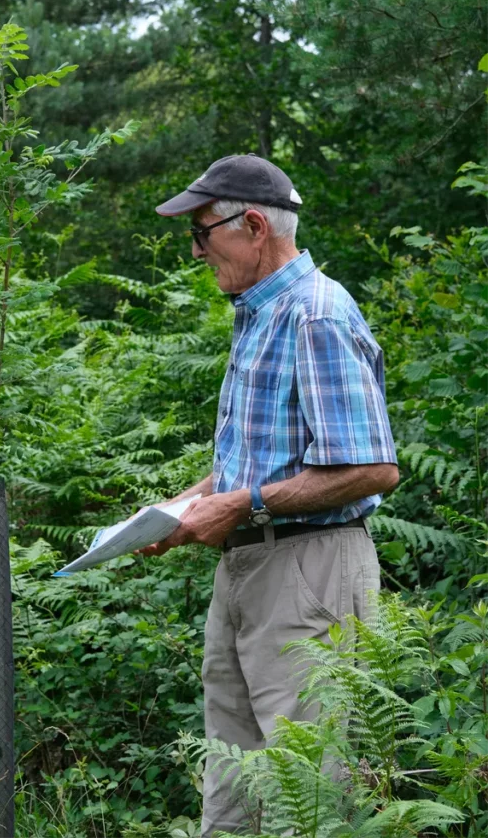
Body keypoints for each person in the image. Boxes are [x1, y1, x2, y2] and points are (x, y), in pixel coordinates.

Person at [141, 154, 399, 838]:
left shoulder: (314, 314)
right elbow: (253, 462)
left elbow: (372, 469)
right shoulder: (259, 313)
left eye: (201, 233)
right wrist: (182, 506)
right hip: (248, 571)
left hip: (307, 572)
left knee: (307, 799)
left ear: (252, 225)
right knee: (235, 789)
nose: (196, 251)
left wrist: (239, 506)